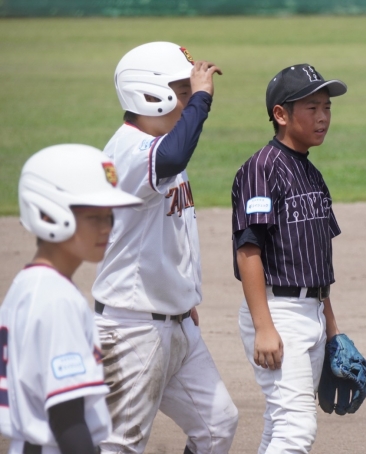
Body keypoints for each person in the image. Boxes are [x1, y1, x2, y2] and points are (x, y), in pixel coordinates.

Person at [91, 42, 238, 454]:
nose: (191, 98)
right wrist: (203, 100)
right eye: (184, 90)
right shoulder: (129, 150)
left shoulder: (159, 143)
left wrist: (182, 294)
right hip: (132, 329)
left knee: (217, 426)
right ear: (150, 94)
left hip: (176, 323)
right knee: (120, 445)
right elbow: (172, 157)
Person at [231, 63, 348, 453]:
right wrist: (264, 327)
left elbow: (317, 264)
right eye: (312, 108)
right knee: (296, 427)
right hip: (278, 312)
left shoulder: (312, 174)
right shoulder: (261, 170)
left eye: (327, 107)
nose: (323, 117)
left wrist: (332, 330)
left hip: (311, 312)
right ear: (280, 114)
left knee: (280, 423)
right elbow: (248, 250)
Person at [0, 144, 142, 454]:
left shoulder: (28, 284)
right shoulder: (57, 300)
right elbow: (67, 419)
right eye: (94, 217)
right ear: (48, 214)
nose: (107, 228)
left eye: (109, 216)